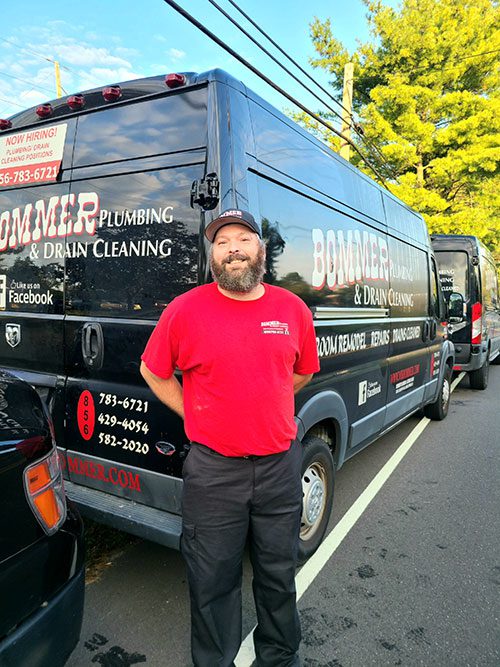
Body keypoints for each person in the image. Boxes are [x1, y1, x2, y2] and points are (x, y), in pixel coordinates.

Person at [140, 208, 320, 667]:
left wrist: (265, 400)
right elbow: (153, 370)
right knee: (212, 582)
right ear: (212, 255)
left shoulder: (292, 309)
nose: (233, 249)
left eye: (243, 239)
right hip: (214, 473)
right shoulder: (185, 309)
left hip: (280, 467)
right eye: (222, 242)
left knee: (278, 575)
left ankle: (280, 658)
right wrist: (196, 412)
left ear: (261, 249)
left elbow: (302, 372)